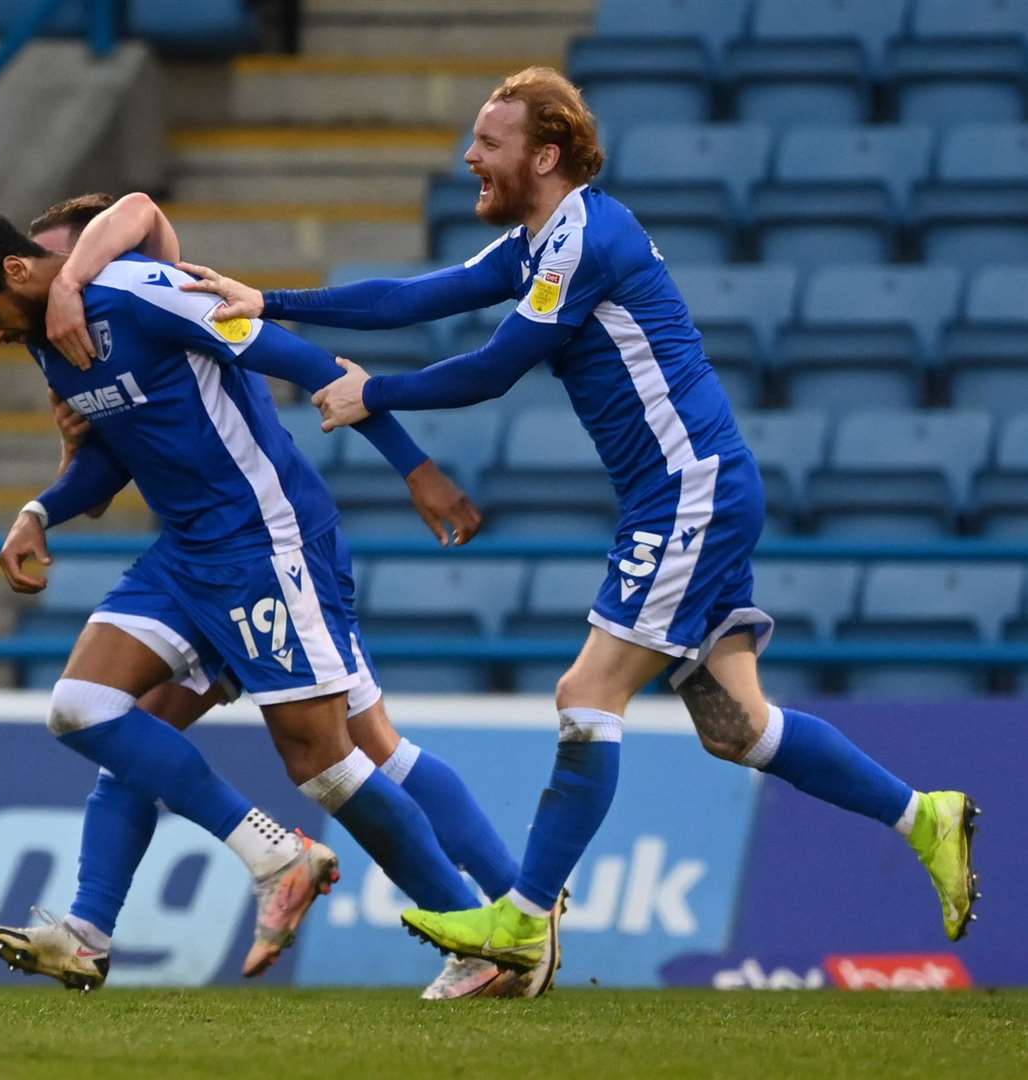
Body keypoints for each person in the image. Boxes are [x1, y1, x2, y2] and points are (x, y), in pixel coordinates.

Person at [152, 66, 977, 980]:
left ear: (544, 155)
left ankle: (522, 919)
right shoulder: (541, 240)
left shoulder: (585, 238)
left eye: (489, 143)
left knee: (586, 696)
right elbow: (418, 297)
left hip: (686, 490)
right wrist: (273, 301)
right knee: (739, 728)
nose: (470, 156)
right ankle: (924, 816)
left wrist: (370, 392)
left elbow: (494, 366)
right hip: (690, 490)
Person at [0, 209, 506, 987]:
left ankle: (485, 936)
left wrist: (414, 466)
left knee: (335, 759)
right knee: (83, 707)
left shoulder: (137, 295)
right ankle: (239, 868)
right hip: (187, 556)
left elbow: (299, 359)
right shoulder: (49, 344)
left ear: (19, 272)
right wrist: (40, 510)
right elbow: (117, 458)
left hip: (266, 542)